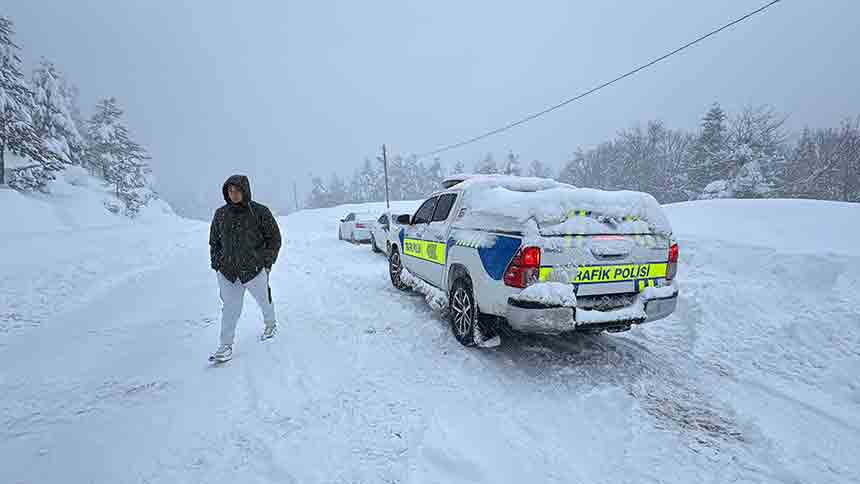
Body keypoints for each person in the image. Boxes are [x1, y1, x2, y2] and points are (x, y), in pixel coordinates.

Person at [209, 175, 282, 362]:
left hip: (254, 269)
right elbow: (214, 242)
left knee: (264, 300)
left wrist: (266, 262)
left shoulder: (259, 212)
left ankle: (270, 324)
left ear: (245, 190)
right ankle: (225, 346)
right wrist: (217, 264)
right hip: (228, 272)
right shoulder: (220, 214)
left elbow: (274, 239)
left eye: (237, 190)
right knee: (230, 309)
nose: (233, 194)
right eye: (230, 191)